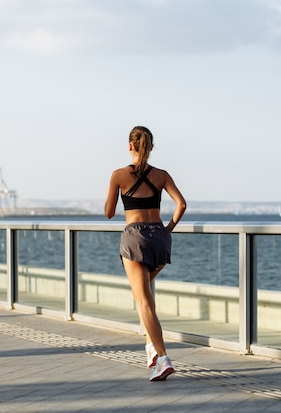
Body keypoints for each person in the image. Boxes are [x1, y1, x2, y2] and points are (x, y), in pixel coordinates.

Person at [105, 125, 186, 381]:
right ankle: (151, 349)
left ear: (130, 146)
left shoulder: (119, 175)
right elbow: (181, 204)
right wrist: (168, 229)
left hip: (135, 239)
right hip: (159, 239)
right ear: (150, 148)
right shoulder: (162, 175)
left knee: (144, 302)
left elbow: (108, 213)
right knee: (145, 297)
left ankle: (162, 358)